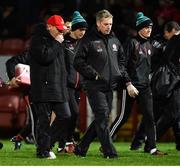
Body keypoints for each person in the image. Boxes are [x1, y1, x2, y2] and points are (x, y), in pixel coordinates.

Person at [73, 9, 137, 159]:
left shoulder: (115, 40)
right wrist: (93, 74)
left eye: (110, 24)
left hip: (110, 86)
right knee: (102, 116)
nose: (109, 27)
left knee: (102, 118)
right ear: (98, 23)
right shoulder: (88, 40)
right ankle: (110, 152)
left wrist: (127, 82)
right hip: (94, 86)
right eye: (106, 24)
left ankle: (81, 148)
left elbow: (121, 63)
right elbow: (78, 62)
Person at [109, 12, 167, 156]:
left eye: (151, 27)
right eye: (146, 27)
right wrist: (128, 84)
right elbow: (121, 65)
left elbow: (150, 66)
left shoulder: (149, 44)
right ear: (140, 28)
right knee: (123, 117)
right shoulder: (130, 43)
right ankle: (106, 142)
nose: (149, 30)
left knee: (149, 116)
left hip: (144, 86)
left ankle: (152, 148)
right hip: (130, 86)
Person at [130, 21, 180, 151]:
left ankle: (175, 142)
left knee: (174, 114)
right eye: (174, 35)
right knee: (153, 113)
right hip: (160, 82)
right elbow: (150, 59)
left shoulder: (171, 42)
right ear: (167, 32)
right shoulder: (156, 42)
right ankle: (139, 142)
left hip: (172, 82)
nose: (175, 38)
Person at [29, 14, 71, 159]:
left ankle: (47, 144)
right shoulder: (37, 40)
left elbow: (62, 65)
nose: (60, 33)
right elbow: (45, 57)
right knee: (44, 121)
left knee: (66, 116)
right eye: (58, 30)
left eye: (61, 30)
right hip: (42, 87)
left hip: (58, 87)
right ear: (49, 27)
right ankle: (43, 151)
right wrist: (57, 43)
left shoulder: (58, 40)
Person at [57, 11, 88, 153]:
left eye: (84, 30)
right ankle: (66, 141)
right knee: (72, 113)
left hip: (78, 86)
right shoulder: (64, 44)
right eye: (80, 29)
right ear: (74, 29)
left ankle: (62, 143)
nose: (83, 32)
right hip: (65, 85)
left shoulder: (84, 45)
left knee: (69, 116)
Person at [5, 49, 36, 150]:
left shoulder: (55, 51)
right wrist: (12, 77)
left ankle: (18, 139)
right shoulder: (32, 53)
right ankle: (43, 148)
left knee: (38, 119)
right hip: (31, 91)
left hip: (48, 91)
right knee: (35, 118)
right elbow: (10, 62)